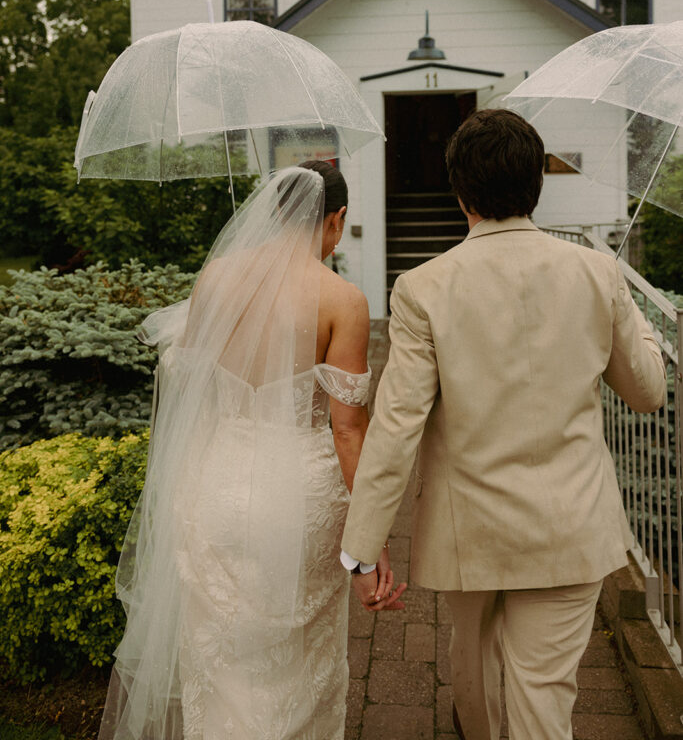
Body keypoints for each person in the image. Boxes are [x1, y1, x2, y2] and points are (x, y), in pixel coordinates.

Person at [341, 109, 667, 740]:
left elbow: (396, 425)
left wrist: (363, 549)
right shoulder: (596, 273)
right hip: (570, 526)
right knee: (543, 702)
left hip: (470, 534)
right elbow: (648, 391)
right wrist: (643, 328)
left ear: (460, 191)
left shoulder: (421, 287)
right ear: (534, 186)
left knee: (476, 683)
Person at [99, 161, 404, 740]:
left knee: (218, 658)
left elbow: (195, 379)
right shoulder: (344, 300)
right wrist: (370, 546)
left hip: (213, 480)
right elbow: (347, 432)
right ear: (335, 220)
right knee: (299, 661)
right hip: (299, 498)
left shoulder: (215, 277)